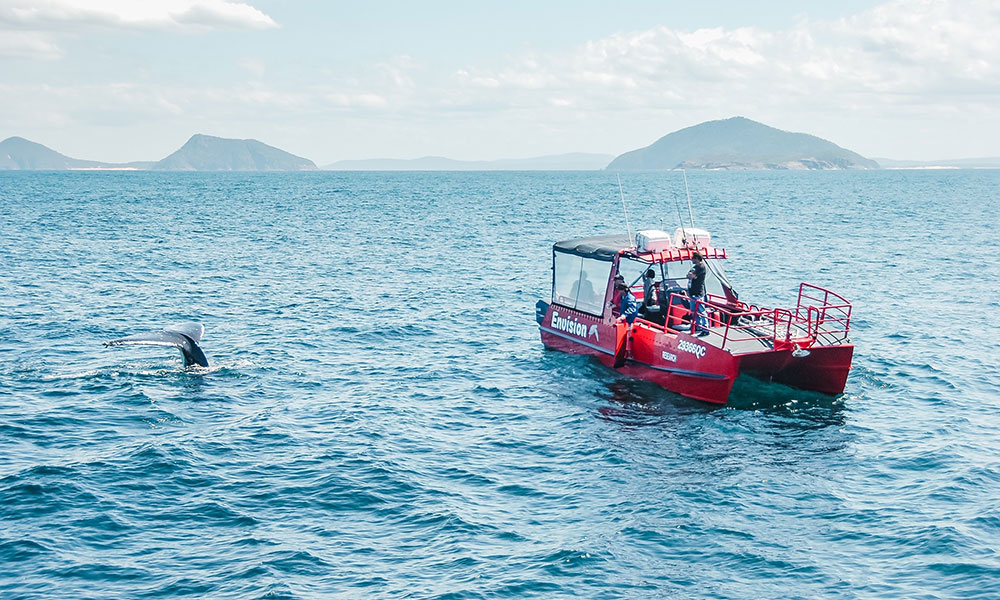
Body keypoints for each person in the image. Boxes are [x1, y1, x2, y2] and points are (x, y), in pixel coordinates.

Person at [686, 252, 709, 336]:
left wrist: (691, 275)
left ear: (697, 258)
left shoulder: (701, 267)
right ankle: (698, 327)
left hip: (698, 292)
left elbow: (692, 276)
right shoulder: (695, 267)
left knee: (701, 311)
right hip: (692, 293)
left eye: (693, 258)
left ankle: (705, 328)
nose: (692, 260)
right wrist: (690, 275)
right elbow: (688, 275)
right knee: (694, 311)